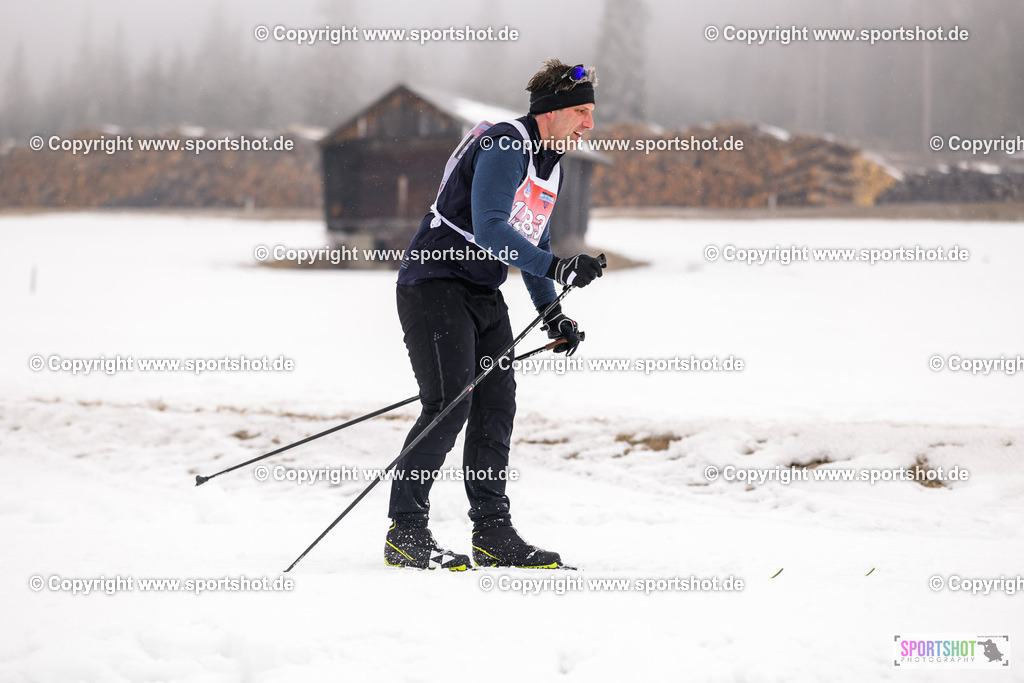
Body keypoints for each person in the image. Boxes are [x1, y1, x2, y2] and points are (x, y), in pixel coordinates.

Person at [384, 59, 604, 571]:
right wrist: (558, 264)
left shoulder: (552, 162)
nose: (589, 124)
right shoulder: (507, 144)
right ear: (550, 113)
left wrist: (551, 311)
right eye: (580, 111)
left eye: (592, 112)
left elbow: (534, 237)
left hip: (481, 291)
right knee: (449, 405)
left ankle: (493, 533)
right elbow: (490, 230)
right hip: (433, 284)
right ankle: (406, 531)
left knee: (495, 405)